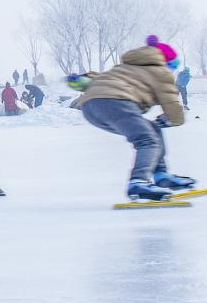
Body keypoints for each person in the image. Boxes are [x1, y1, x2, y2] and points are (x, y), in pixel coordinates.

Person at [72, 35, 193, 201]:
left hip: (90, 107)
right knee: (147, 139)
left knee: (152, 129)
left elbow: (99, 79)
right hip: (117, 103)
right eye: (172, 66)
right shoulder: (161, 71)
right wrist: (171, 119)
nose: (171, 71)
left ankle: (161, 175)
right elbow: (171, 103)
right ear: (165, 62)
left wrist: (83, 79)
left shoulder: (125, 66)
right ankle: (138, 182)